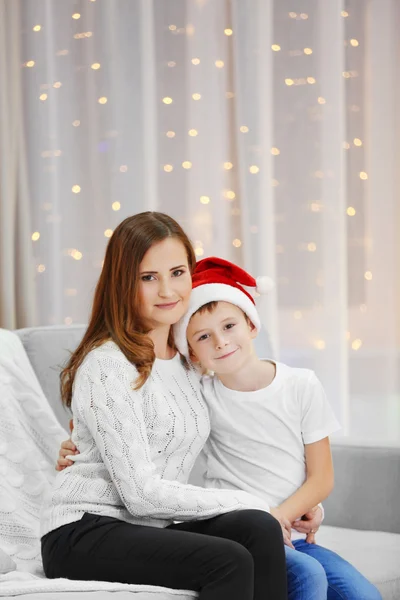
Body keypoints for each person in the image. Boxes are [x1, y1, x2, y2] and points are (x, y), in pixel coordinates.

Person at [40, 213, 287, 600]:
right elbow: (140, 494)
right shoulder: (107, 363)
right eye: (148, 277)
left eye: (177, 272)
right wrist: (255, 501)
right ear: (123, 283)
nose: (167, 290)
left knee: (259, 528)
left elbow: (253, 428)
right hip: (82, 531)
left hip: (146, 527)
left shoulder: (191, 359)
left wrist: (294, 503)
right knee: (230, 559)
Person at [172, 256, 382, 600]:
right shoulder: (200, 396)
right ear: (193, 353)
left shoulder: (301, 384)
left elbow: (321, 476)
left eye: (229, 326)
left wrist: (285, 516)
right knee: (307, 576)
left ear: (252, 325)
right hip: (244, 537)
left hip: (294, 536)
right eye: (204, 337)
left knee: (364, 596)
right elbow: (147, 413)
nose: (221, 342)